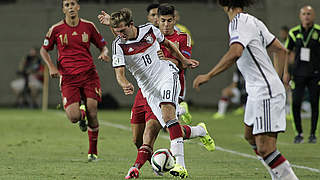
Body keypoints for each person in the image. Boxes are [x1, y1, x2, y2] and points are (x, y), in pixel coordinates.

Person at [193, 0, 299, 179]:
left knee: (265, 148)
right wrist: (277, 80)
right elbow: (281, 50)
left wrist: (209, 75)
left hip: (264, 91)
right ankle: (277, 174)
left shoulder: (238, 22)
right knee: (249, 136)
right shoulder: (252, 20)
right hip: (258, 91)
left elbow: (235, 52)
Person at [103, 7, 213, 179]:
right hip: (148, 90)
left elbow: (167, 44)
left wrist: (183, 61)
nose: (120, 35)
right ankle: (199, 131)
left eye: (123, 30)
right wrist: (125, 84)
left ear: (131, 25)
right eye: (116, 31)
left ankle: (180, 165)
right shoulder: (118, 44)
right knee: (166, 128)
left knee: (169, 117)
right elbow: (119, 73)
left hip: (166, 75)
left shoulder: (149, 29)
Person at [40, 0, 110, 162]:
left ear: (78, 7)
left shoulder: (89, 26)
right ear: (63, 9)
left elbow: (103, 45)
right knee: (74, 117)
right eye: (67, 5)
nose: (70, 7)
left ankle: (93, 152)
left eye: (73, 4)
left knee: (93, 112)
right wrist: (51, 67)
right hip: (68, 78)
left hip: (89, 75)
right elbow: (44, 50)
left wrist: (104, 53)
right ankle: (81, 112)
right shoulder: (56, 29)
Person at [285, 5, 320, 144]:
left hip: (315, 74)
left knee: (314, 103)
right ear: (300, 16)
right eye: (304, 14)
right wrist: (286, 72)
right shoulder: (294, 32)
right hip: (298, 74)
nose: (306, 16)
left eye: (309, 14)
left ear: (314, 16)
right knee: (296, 104)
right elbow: (287, 52)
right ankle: (298, 133)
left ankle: (312, 133)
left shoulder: (318, 32)